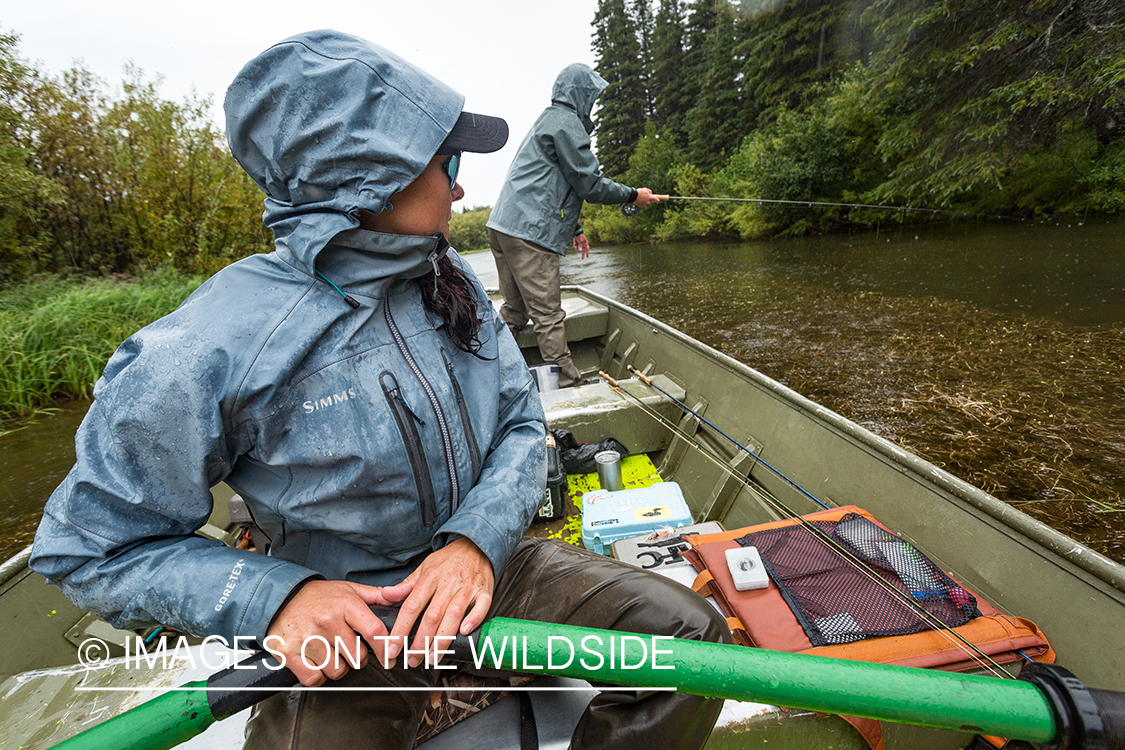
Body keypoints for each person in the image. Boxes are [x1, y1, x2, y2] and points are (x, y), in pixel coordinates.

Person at [30, 30, 728, 749]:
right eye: (447, 163)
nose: (458, 187)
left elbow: (521, 425)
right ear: (370, 178)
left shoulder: (447, 275)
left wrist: (475, 544)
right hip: (351, 617)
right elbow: (88, 550)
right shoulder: (205, 348)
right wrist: (278, 599)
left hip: (491, 567)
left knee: (691, 640)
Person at [486, 64, 663, 388]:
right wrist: (633, 195)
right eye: (592, 96)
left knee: (514, 311)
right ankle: (569, 382)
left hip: (503, 226)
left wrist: (576, 230)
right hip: (529, 233)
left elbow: (552, 185)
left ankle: (490, 372)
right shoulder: (567, 123)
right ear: (582, 94)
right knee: (548, 315)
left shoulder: (549, 119)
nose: (593, 103)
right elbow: (588, 183)